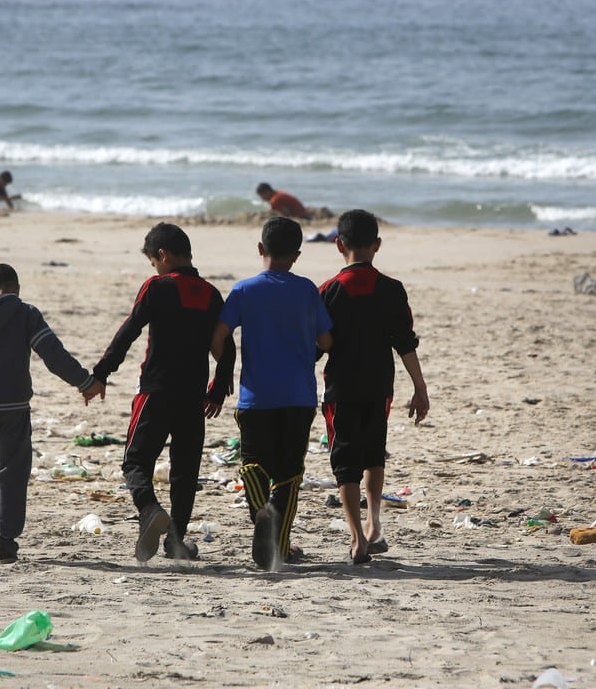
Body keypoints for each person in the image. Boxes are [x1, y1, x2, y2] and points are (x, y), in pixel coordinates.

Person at [90, 223, 237, 562]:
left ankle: (149, 508)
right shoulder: (211, 294)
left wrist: (101, 373)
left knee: (135, 461)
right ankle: (176, 541)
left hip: (155, 391)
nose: (154, 268)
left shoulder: (156, 287)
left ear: (162, 255)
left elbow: (128, 331)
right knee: (185, 472)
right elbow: (225, 345)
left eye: (153, 262)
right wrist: (217, 387)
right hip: (193, 397)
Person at [0, 263, 101, 564]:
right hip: (14, 409)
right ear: (17, 289)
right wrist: (84, 382)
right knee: (11, 476)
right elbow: (53, 355)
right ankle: (3, 543)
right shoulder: (25, 314)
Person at [211, 217, 333, 570]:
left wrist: (224, 366)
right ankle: (278, 548)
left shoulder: (244, 290)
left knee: (252, 461)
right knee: (290, 476)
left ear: (260, 249)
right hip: (298, 397)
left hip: (256, 397)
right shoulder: (308, 290)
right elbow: (327, 340)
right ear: (296, 255)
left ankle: (259, 504)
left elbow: (218, 336)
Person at [318, 209, 430, 564]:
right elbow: (406, 343)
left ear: (339, 245)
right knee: (373, 454)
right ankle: (374, 524)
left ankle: (356, 539)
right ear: (377, 245)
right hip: (380, 386)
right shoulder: (392, 290)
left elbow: (318, 346)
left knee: (345, 462)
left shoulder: (329, 291)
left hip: (342, 388)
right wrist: (420, 387)